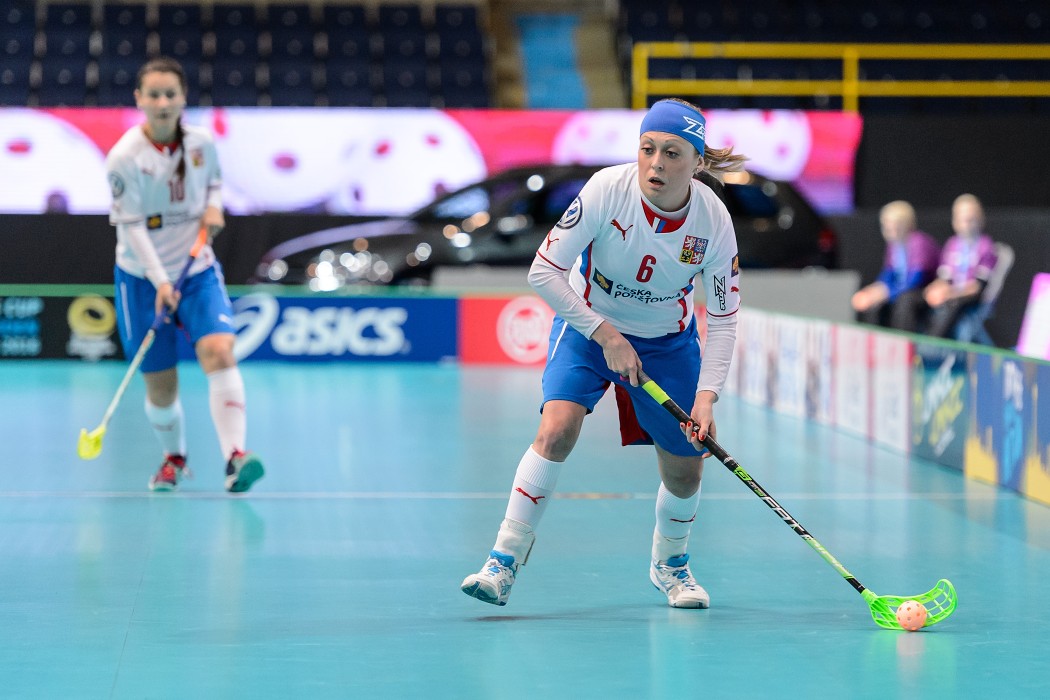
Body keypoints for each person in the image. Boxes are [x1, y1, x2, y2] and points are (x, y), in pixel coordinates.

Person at [461, 98, 745, 609]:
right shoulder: (605, 190)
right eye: (648, 149)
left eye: (673, 153)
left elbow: (723, 316)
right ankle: (502, 561)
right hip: (588, 327)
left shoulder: (713, 222)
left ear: (697, 163)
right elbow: (543, 272)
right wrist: (606, 335)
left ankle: (670, 567)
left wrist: (707, 397)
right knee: (556, 429)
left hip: (667, 344)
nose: (656, 163)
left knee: (686, 469)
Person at [105, 57, 264, 493]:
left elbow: (213, 181)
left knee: (219, 350)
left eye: (170, 94)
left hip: (197, 269)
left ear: (182, 98)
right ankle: (173, 458)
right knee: (161, 386)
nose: (162, 102)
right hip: (140, 278)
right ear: (138, 99)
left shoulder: (201, 142)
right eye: (153, 94)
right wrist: (158, 281)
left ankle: (235, 457)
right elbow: (132, 226)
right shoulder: (124, 158)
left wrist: (214, 204)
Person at [850, 200, 940, 332]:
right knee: (874, 303)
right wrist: (874, 291)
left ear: (907, 223)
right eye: (886, 225)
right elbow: (887, 275)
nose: (890, 229)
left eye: (896, 225)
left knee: (905, 300)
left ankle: (904, 343)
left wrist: (889, 293)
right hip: (901, 290)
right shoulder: (893, 246)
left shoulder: (919, 242)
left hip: (923, 291)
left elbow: (917, 279)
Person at [921, 194, 999, 339]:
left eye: (971, 219)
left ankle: (932, 345)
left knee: (953, 304)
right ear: (954, 221)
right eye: (962, 219)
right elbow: (945, 277)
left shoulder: (985, 246)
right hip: (953, 293)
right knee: (922, 299)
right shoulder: (952, 244)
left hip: (973, 297)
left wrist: (949, 294)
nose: (966, 224)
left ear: (980, 220)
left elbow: (978, 287)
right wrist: (933, 290)